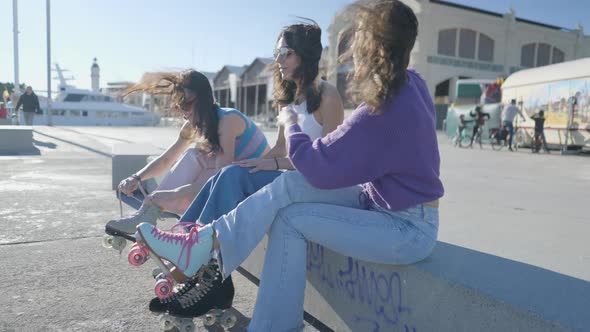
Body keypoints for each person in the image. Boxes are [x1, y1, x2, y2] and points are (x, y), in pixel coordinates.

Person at [135, 1, 443, 330]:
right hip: (378, 204)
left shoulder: (382, 110)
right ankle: (200, 246)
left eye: (357, 48)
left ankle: (209, 259)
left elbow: (317, 165)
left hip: (406, 228)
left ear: (374, 49)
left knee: (289, 212)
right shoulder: (412, 84)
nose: (352, 62)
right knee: (281, 193)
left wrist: (291, 123)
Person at [147, 21, 345, 315]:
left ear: (305, 54)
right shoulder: (288, 99)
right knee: (230, 173)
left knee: (233, 174)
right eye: (276, 52)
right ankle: (193, 250)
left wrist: (271, 164)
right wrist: (258, 163)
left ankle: (195, 264)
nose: (277, 60)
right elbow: (280, 148)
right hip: (289, 180)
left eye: (285, 53)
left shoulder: (328, 97)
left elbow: (328, 162)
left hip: (315, 186)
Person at [105, 70, 270, 237]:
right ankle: (150, 212)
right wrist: (136, 177)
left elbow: (220, 180)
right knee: (193, 156)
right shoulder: (194, 124)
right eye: (179, 106)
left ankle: (184, 230)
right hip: (235, 176)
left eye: (187, 104)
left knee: (204, 164)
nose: (184, 111)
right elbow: (167, 159)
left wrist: (170, 195)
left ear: (203, 100)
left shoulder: (228, 120)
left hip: (256, 180)